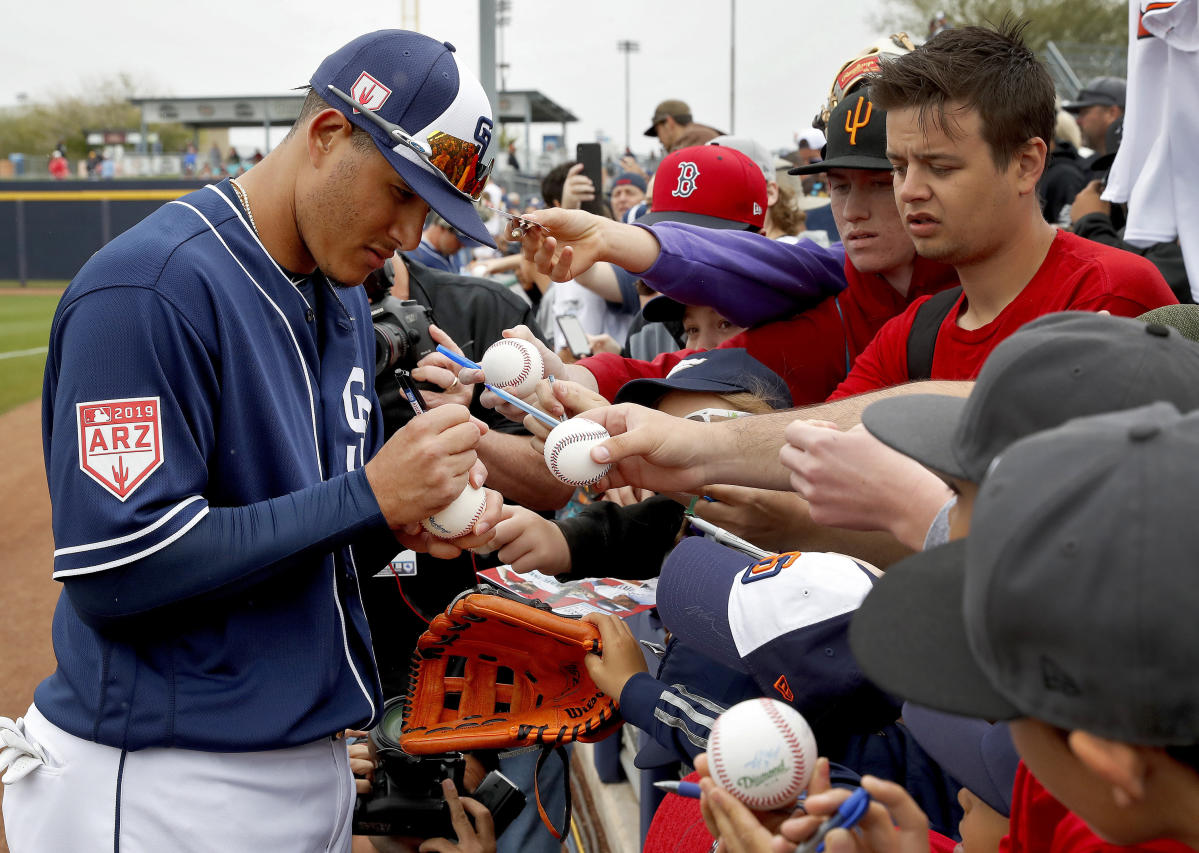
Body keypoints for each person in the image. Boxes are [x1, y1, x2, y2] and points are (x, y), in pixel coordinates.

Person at [0, 30, 504, 851]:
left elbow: (304, 530)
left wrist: (398, 524)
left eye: (432, 210)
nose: (411, 233)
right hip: (163, 781)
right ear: (328, 134)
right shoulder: (148, 288)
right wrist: (368, 496)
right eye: (400, 192)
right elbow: (118, 568)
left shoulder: (338, 293)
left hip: (304, 763)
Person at [1061, 76, 1126, 171]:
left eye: (1085, 112)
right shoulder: (1086, 168)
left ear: (1112, 113)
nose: (1077, 121)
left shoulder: (1133, 169)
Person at [644, 99, 723, 153]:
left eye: (658, 131)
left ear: (669, 123)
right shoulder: (703, 135)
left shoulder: (691, 140)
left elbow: (675, 175)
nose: (659, 140)